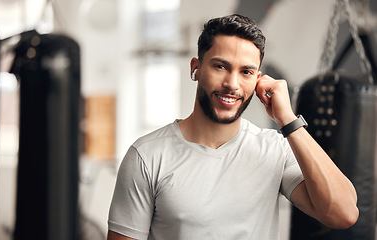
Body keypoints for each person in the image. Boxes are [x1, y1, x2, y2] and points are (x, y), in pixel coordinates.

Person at [107, 14, 358, 240]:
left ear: (258, 80)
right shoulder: (147, 156)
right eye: (220, 66)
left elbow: (343, 214)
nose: (232, 84)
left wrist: (289, 121)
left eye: (246, 72)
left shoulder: (274, 150)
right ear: (196, 68)